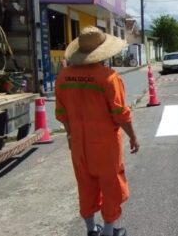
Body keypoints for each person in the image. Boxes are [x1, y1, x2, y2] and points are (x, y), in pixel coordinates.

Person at [55, 27, 139, 236]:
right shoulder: (109, 78)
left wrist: (70, 135)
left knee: (85, 184)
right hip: (104, 144)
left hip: (79, 144)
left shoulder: (64, 77)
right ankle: (109, 231)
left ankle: (91, 230)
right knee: (111, 185)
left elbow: (62, 112)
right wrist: (133, 137)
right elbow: (121, 113)